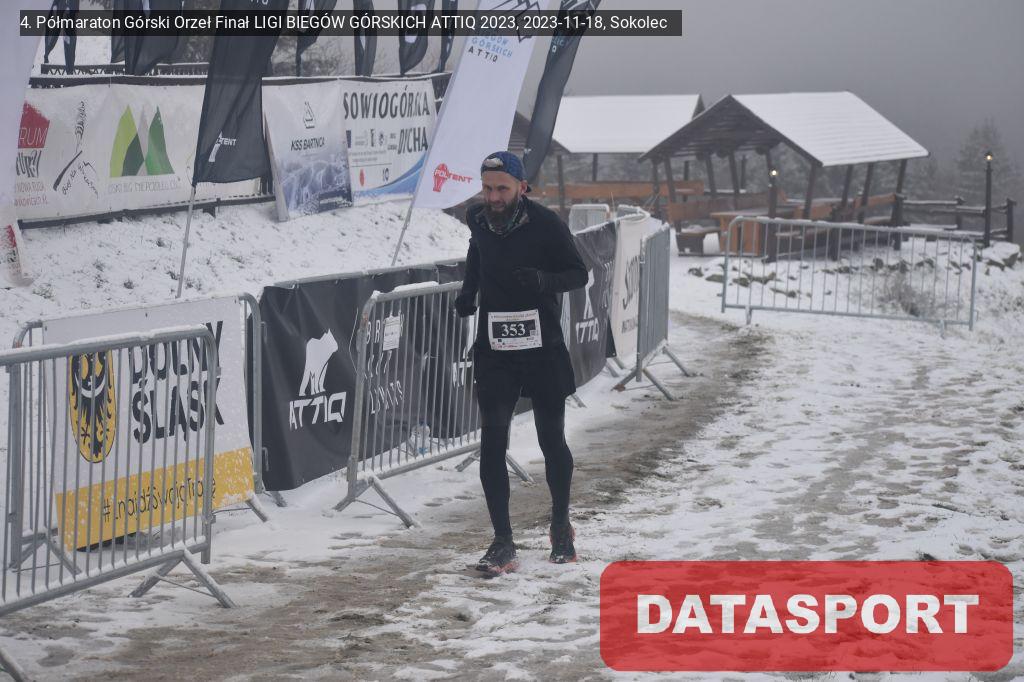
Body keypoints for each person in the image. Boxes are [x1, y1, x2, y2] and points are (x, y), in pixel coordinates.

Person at [453, 151, 588, 575]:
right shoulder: (477, 218)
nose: (493, 197)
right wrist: (469, 291)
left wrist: (544, 280)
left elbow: (578, 274)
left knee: (551, 438)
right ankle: (502, 542)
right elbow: (477, 253)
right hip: (495, 349)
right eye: (487, 188)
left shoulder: (547, 225)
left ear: (522, 188)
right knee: (493, 441)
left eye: (501, 189)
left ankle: (561, 525)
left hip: (541, 347)